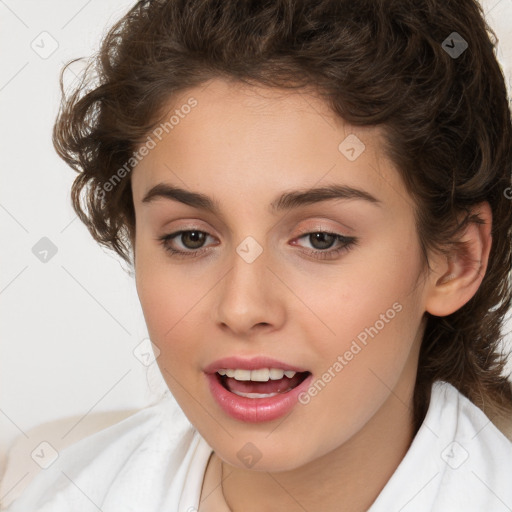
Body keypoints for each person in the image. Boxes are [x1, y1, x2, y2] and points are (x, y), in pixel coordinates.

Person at [4, 0, 512, 510]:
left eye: (320, 239)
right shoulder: (49, 490)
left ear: (455, 261)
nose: (242, 308)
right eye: (191, 238)